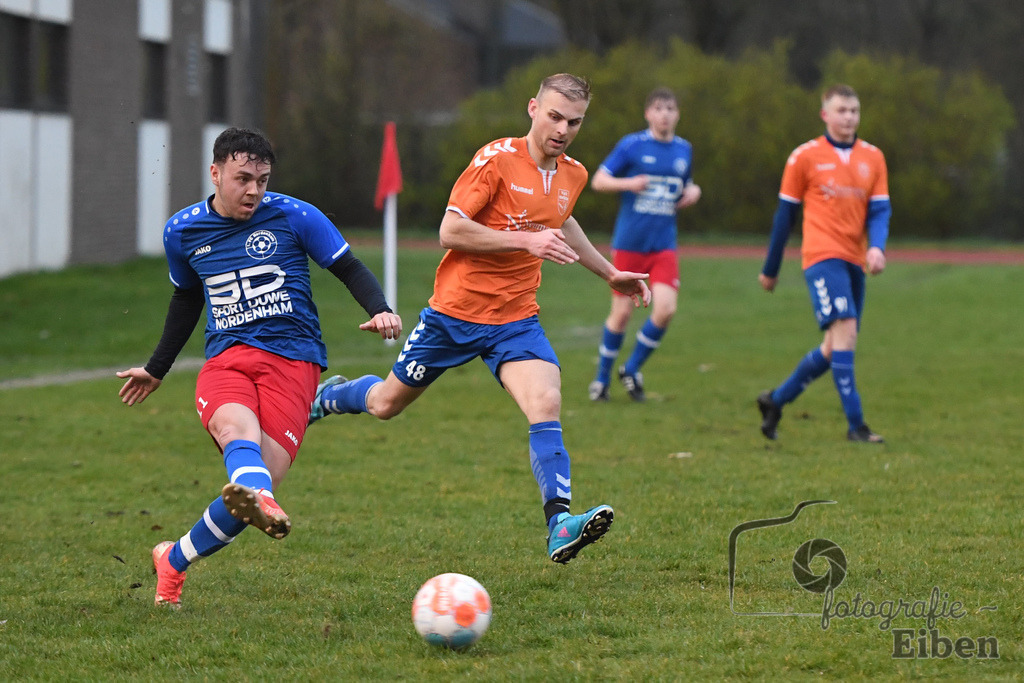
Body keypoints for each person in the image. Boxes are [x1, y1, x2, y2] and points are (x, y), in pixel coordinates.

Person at [308, 73, 652, 564]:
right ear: (533, 108)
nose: (563, 129)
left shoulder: (572, 173)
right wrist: (526, 240)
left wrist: (610, 273)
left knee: (546, 400)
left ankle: (559, 524)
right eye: (554, 116)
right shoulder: (494, 160)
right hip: (453, 315)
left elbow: (563, 219)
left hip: (516, 319)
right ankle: (332, 395)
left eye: (574, 121)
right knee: (385, 404)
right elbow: (450, 230)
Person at [117, 127, 402, 608]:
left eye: (262, 180)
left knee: (248, 498)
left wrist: (380, 307)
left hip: (293, 362)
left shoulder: (295, 216)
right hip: (227, 359)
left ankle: (174, 561)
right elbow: (186, 298)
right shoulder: (182, 231)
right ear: (216, 172)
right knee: (235, 431)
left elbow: (348, 266)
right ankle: (260, 484)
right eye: (242, 178)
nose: (253, 190)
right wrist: (157, 367)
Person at [756, 84, 891, 443]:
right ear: (825, 114)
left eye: (854, 111)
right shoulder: (804, 157)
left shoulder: (873, 157)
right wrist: (771, 268)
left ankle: (775, 400)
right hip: (821, 256)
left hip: (854, 259)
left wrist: (876, 247)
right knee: (845, 331)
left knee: (836, 347)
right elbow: (784, 217)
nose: (849, 117)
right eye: (842, 110)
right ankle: (857, 426)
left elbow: (879, 210)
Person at [587, 87, 701, 402]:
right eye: (659, 108)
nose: (665, 114)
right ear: (648, 113)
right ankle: (600, 381)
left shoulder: (684, 149)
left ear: (677, 114)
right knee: (621, 313)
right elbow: (598, 181)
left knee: (666, 309)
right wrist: (629, 183)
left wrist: (694, 192)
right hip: (629, 245)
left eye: (670, 108)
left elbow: (685, 184)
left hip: (663, 245)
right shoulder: (632, 145)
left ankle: (632, 367)